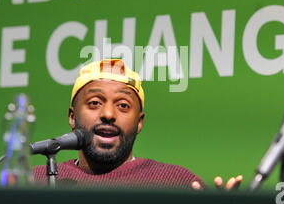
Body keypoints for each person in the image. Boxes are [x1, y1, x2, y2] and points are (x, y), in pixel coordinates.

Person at [33, 59, 242, 190]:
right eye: (95, 103)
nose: (108, 114)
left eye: (123, 105)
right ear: (72, 117)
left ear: (139, 122)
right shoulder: (33, 181)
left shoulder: (176, 184)